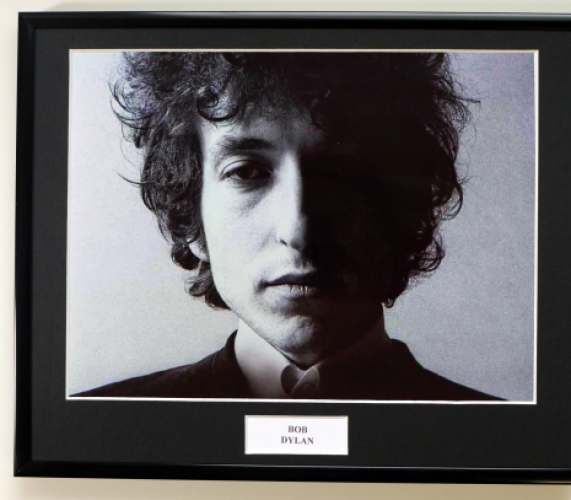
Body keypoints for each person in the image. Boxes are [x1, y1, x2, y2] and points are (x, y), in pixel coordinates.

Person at [78, 52, 499, 400]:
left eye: (340, 172)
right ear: (192, 219)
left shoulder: (502, 441)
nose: (298, 230)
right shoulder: (97, 434)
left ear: (402, 208)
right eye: (247, 172)